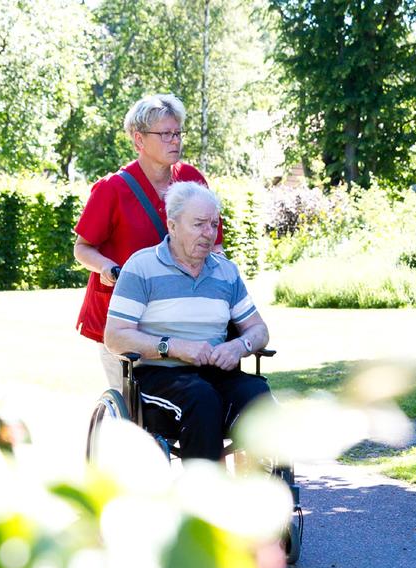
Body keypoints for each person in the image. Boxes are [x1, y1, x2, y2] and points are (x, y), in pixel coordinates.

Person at [103, 182, 271, 461]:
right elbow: (115, 337)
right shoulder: (141, 267)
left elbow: (259, 329)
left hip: (217, 373)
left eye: (214, 224)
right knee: (201, 399)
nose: (209, 233)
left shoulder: (226, 272)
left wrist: (239, 347)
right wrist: (175, 347)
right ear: (172, 225)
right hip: (161, 375)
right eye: (199, 224)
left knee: (259, 394)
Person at [73, 94, 222, 390]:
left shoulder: (191, 181)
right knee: (133, 409)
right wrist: (109, 268)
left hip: (180, 316)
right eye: (165, 134)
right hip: (124, 316)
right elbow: (82, 248)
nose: (175, 140)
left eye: (178, 133)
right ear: (138, 139)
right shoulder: (112, 189)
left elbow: (214, 244)